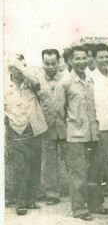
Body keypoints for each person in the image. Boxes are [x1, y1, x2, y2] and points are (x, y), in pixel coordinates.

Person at [55, 46, 108, 221]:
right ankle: (79, 208)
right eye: (76, 59)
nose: (81, 62)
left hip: (93, 134)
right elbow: (58, 112)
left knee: (95, 171)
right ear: (70, 61)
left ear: (88, 60)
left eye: (83, 58)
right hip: (75, 136)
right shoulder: (64, 83)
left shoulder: (89, 80)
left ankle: (95, 204)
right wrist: (66, 137)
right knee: (78, 175)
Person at [4, 55, 47, 215]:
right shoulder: (5, 86)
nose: (20, 71)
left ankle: (31, 200)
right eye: (16, 68)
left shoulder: (31, 83)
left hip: (34, 129)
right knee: (20, 168)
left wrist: (21, 67)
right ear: (10, 69)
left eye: (23, 67)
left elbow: (37, 83)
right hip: (15, 132)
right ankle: (20, 203)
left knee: (35, 166)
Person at [37, 48, 67, 205]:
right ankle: (52, 193)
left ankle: (78, 192)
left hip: (65, 125)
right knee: (50, 161)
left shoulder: (66, 78)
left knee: (72, 159)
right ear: (43, 62)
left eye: (53, 63)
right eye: (47, 64)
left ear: (58, 62)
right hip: (47, 127)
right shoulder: (37, 81)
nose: (50, 67)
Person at [90, 43, 108, 197]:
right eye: (100, 57)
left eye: (106, 56)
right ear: (94, 59)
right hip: (101, 123)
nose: (104, 59)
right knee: (104, 156)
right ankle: (107, 185)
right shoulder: (91, 77)